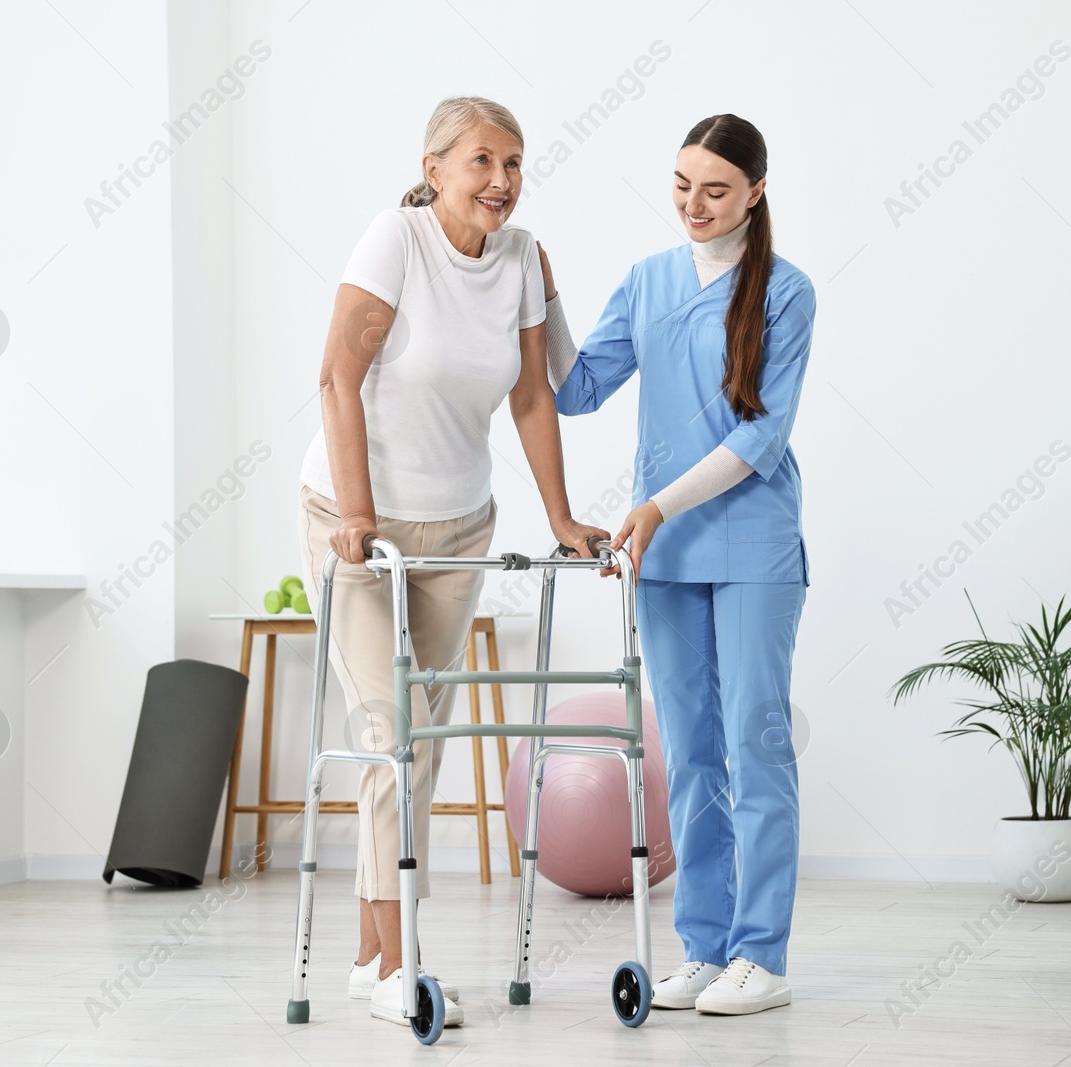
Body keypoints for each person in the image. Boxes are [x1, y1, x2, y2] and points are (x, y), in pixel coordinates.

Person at [300, 95, 606, 1029]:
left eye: (514, 164)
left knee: (417, 741)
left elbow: (529, 397)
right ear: (435, 168)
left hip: (459, 528)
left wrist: (562, 517)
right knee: (391, 730)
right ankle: (403, 969)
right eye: (482, 162)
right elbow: (336, 376)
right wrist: (356, 512)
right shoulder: (395, 240)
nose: (502, 182)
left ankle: (366, 954)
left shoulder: (520, 258)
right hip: (360, 527)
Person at [543, 113, 814, 1016]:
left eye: (716, 190)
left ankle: (761, 956)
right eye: (682, 184)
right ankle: (704, 947)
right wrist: (533, 296)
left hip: (750, 547)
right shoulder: (648, 282)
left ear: (756, 193)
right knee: (693, 755)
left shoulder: (785, 291)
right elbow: (577, 391)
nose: (694, 205)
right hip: (663, 558)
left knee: (755, 742)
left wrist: (656, 504)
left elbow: (762, 434)